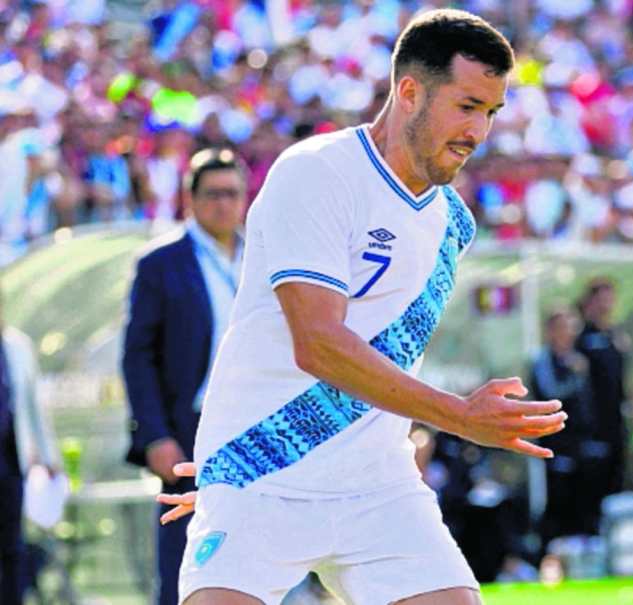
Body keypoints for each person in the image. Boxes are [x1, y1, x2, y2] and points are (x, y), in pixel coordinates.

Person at [164, 10, 566, 605]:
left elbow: (380, 349)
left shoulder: (452, 222)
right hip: (262, 481)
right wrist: (461, 417)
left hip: (379, 487)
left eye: (492, 112)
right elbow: (319, 344)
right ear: (409, 91)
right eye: (466, 106)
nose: (479, 131)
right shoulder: (315, 173)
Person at [122, 147, 247, 605]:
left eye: (232, 193)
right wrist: (153, 435)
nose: (223, 203)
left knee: (256, 555)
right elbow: (138, 356)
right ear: (189, 199)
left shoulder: (262, 260)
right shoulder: (161, 263)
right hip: (188, 427)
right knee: (184, 563)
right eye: (212, 193)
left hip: (253, 426)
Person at [0, 290, 62, 604]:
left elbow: (35, 408)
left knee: (12, 544)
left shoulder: (17, 346)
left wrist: (49, 457)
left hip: (11, 463)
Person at [529, 309, 598, 549]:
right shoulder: (543, 360)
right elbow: (551, 394)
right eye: (561, 328)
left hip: (579, 442)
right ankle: (547, 550)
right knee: (556, 497)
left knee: (582, 497)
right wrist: (576, 376)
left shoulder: (577, 358)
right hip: (554, 442)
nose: (567, 334)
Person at [574, 278, 629, 509]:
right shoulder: (581, 338)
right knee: (592, 483)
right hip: (591, 425)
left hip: (616, 422)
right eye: (601, 298)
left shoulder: (617, 336)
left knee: (616, 479)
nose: (606, 304)